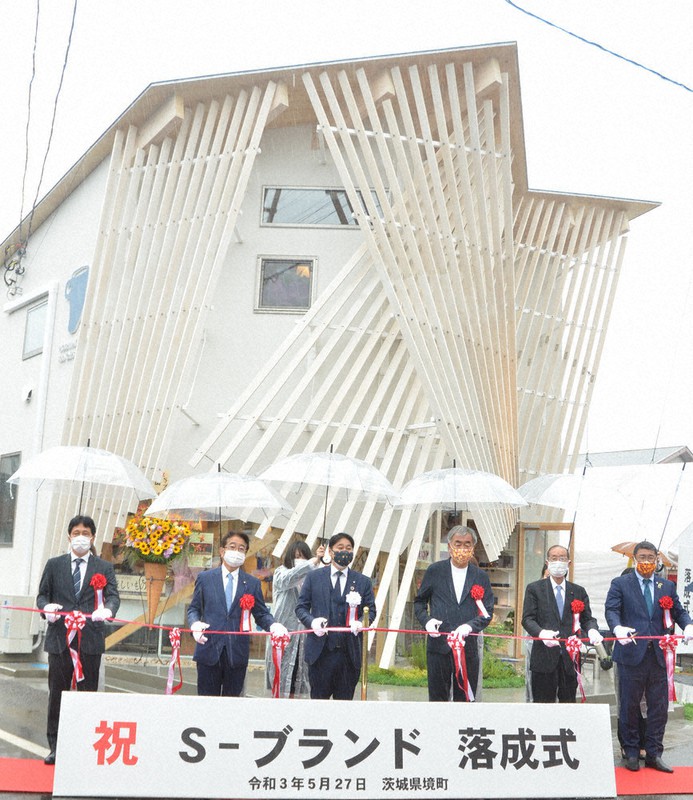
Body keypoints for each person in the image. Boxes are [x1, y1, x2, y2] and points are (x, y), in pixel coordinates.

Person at [37, 515, 120, 765]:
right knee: (58, 694)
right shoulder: (54, 565)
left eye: (85, 533)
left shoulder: (103, 567)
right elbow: (42, 596)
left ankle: (85, 745)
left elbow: (113, 596)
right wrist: (46, 609)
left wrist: (108, 610)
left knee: (87, 695)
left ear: (93, 537)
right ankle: (56, 746)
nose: (81, 537)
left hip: (90, 639)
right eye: (76, 533)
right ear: (69, 536)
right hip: (60, 640)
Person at [605, 539, 693, 773]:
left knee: (658, 707)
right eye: (642, 557)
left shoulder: (666, 586)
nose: (646, 562)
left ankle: (654, 753)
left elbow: (678, 611)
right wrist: (617, 628)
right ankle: (631, 751)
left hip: (659, 655)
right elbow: (611, 610)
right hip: (630, 654)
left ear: (657, 560)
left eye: (651, 558)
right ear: (635, 559)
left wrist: (688, 625)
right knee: (629, 706)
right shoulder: (621, 583)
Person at [187, 531, 287, 696]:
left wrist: (274, 625)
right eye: (232, 547)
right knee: (206, 702)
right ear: (222, 551)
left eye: (241, 549)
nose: (237, 551)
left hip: (237, 653)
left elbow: (261, 614)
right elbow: (194, 609)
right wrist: (195, 624)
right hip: (209, 649)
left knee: (233, 703)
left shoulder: (252, 583)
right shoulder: (205, 578)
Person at [413, 525, 494, 702]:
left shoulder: (480, 576)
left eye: (467, 544)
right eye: (458, 544)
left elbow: (487, 611)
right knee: (437, 699)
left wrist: (469, 626)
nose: (462, 549)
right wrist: (427, 621)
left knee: (465, 699)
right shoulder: (435, 571)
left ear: (473, 548)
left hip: (467, 647)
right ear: (449, 546)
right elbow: (419, 602)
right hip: (438, 646)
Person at [295, 532, 376, 700]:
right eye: (340, 548)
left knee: (344, 705)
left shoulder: (363, 582)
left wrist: (361, 622)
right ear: (331, 552)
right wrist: (312, 622)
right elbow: (301, 608)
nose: (345, 551)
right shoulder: (314, 577)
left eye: (349, 548)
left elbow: (371, 610)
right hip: (320, 654)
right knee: (319, 704)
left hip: (349, 655)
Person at [522, 544, 602, 703]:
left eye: (562, 558)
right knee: (543, 705)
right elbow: (527, 619)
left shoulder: (578, 591)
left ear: (569, 563)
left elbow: (587, 619)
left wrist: (593, 630)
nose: (558, 562)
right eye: (554, 558)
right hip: (543, 658)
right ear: (547, 562)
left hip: (569, 659)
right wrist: (541, 633)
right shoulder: (535, 589)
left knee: (568, 704)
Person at [264, 540, 325, 697]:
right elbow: (288, 580)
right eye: (297, 556)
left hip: (304, 635)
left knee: (300, 675)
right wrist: (311, 563)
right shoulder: (281, 572)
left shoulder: (312, 577)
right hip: (283, 634)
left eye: (304, 557)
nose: (300, 560)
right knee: (281, 676)